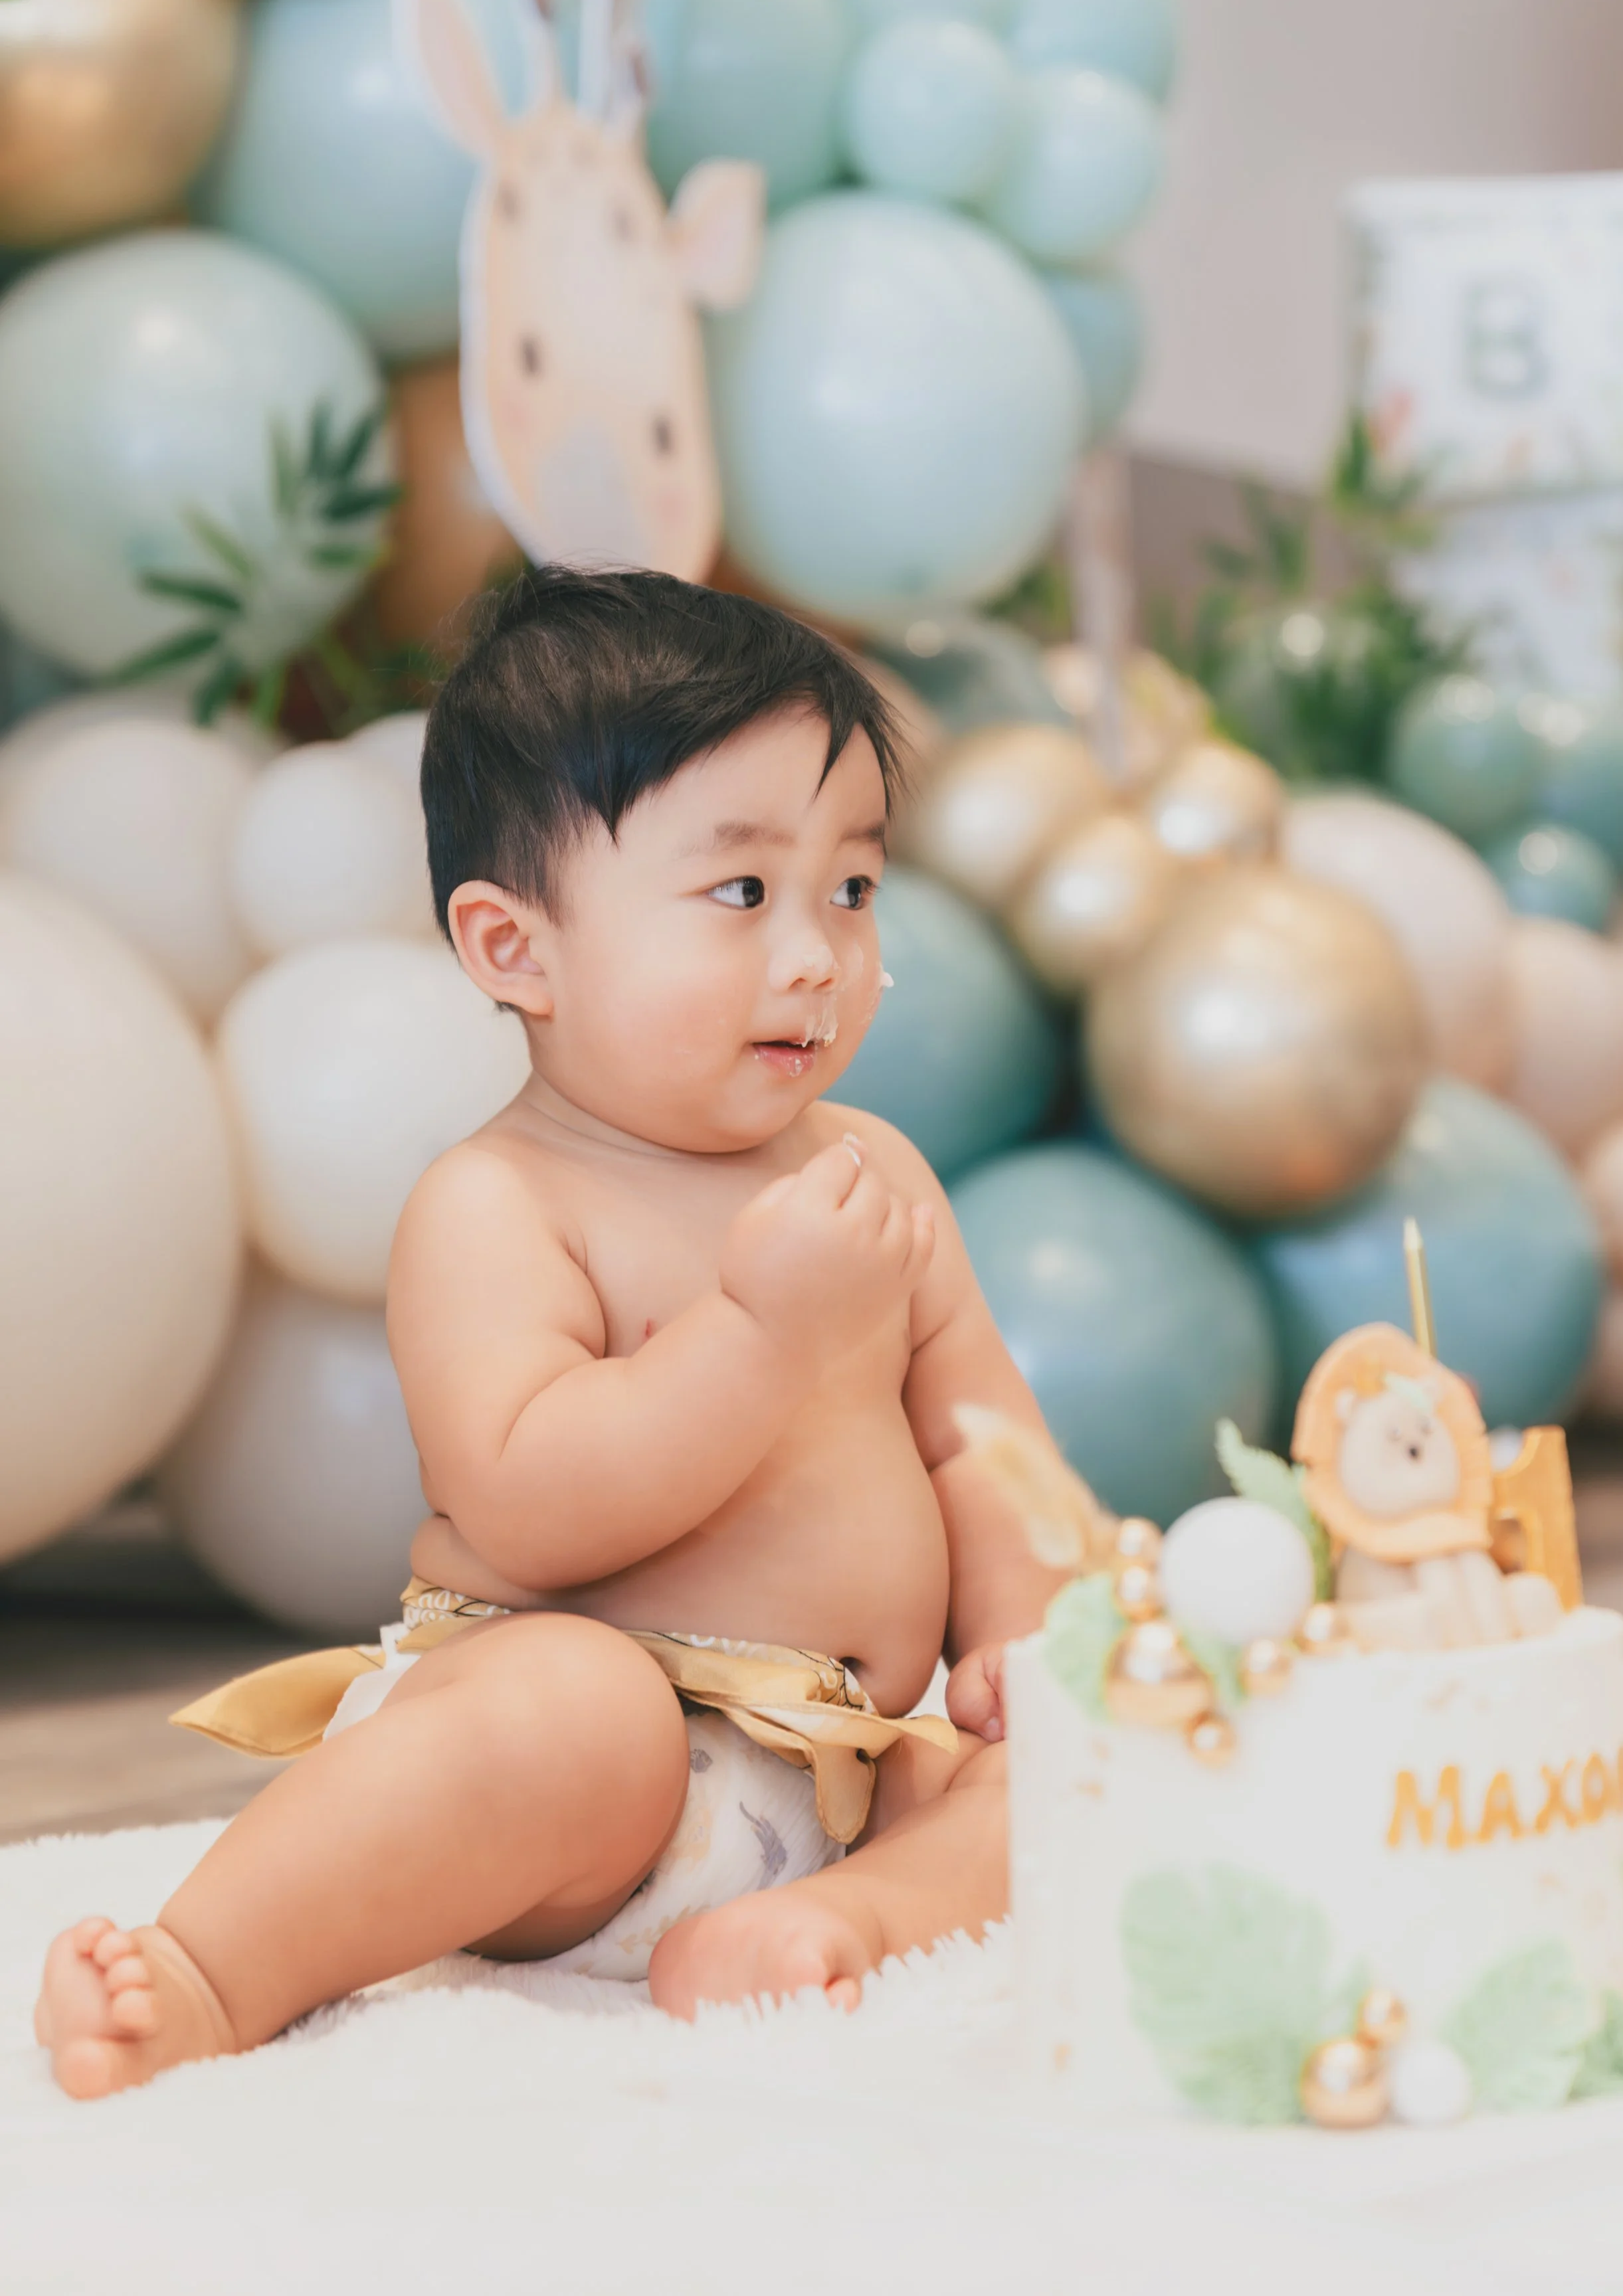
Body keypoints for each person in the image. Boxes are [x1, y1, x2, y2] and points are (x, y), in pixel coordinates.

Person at [35, 568, 1069, 2100]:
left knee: (1086, 1766)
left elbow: (980, 1441)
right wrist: (757, 1331)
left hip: (841, 1769)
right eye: (740, 894)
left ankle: (837, 1923)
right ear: (515, 950)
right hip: (583, 1785)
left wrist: (1037, 1630)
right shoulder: (499, 1204)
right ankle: (206, 1971)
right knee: (572, 1715)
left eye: (849, 888)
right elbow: (527, 1499)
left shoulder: (875, 1179)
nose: (813, 954)